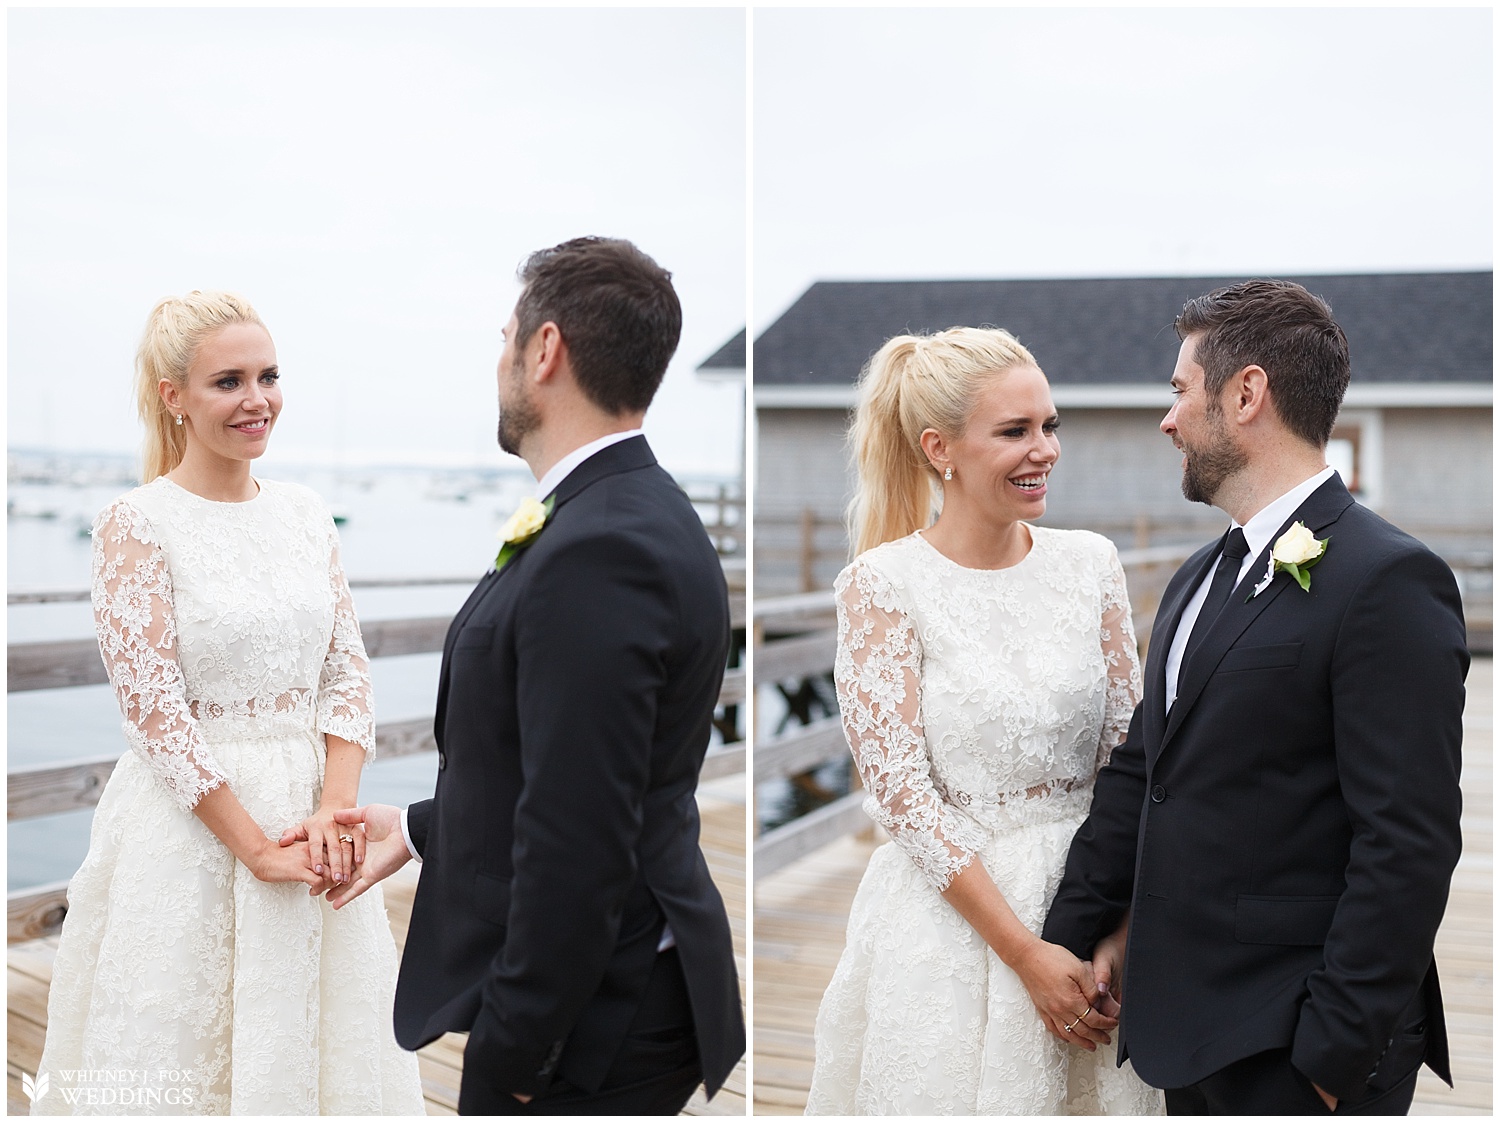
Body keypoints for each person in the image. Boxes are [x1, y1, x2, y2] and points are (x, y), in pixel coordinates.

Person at [309, 237, 745, 1114]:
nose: (499, 359)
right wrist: (426, 826)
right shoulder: (623, 509)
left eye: (506, 335)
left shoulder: (601, 546)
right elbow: (580, 768)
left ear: (544, 350)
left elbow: (578, 842)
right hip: (615, 992)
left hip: (590, 1025)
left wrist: (510, 1056)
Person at [1042, 279, 1467, 1114]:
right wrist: (1063, 940)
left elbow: (1407, 841)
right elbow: (1143, 771)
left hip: (1296, 1044)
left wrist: (1330, 1053)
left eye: (1178, 390)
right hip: (1182, 1028)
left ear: (1245, 394)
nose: (1167, 420)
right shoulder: (1197, 578)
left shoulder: (1389, 579)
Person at [33, 292, 425, 1114]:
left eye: (269, 375)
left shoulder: (307, 513)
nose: (258, 399)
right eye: (229, 381)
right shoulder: (135, 522)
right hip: (194, 829)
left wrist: (336, 814)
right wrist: (256, 848)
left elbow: (346, 670)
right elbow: (153, 712)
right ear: (174, 395)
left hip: (314, 828)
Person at [803, 327, 1163, 1115]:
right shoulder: (883, 585)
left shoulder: (1092, 564)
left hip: (1089, 902)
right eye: (1015, 431)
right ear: (941, 448)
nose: (1045, 450)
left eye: (1050, 425)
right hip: (955, 929)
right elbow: (902, 799)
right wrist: (1025, 954)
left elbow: (1132, 762)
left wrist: (1119, 928)